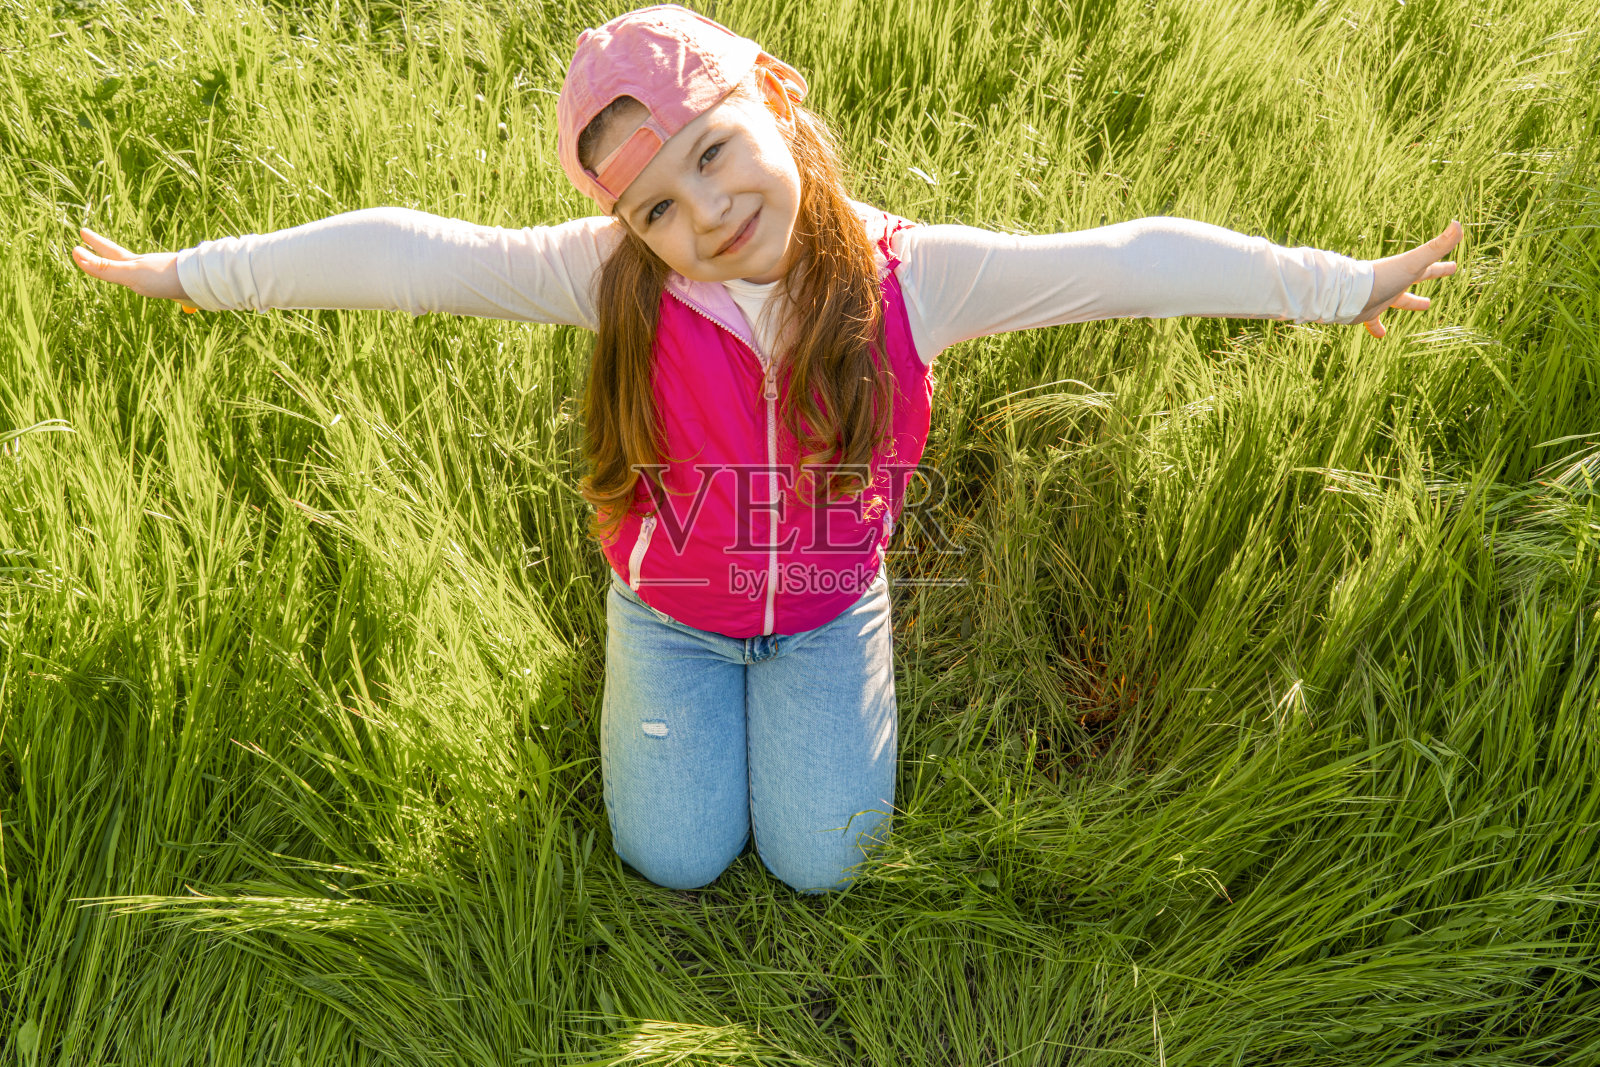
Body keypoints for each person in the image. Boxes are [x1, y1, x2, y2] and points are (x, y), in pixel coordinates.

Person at [69, 3, 1461, 896]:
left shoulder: (918, 281)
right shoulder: (612, 280)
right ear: (632, 231)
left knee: (822, 867)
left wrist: (1336, 285)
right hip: (669, 615)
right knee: (671, 859)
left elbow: (1127, 262)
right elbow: (405, 251)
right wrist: (197, 270)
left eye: (718, 153)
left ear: (778, 106)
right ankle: (632, 662)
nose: (706, 213)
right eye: (662, 206)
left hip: (825, 612)